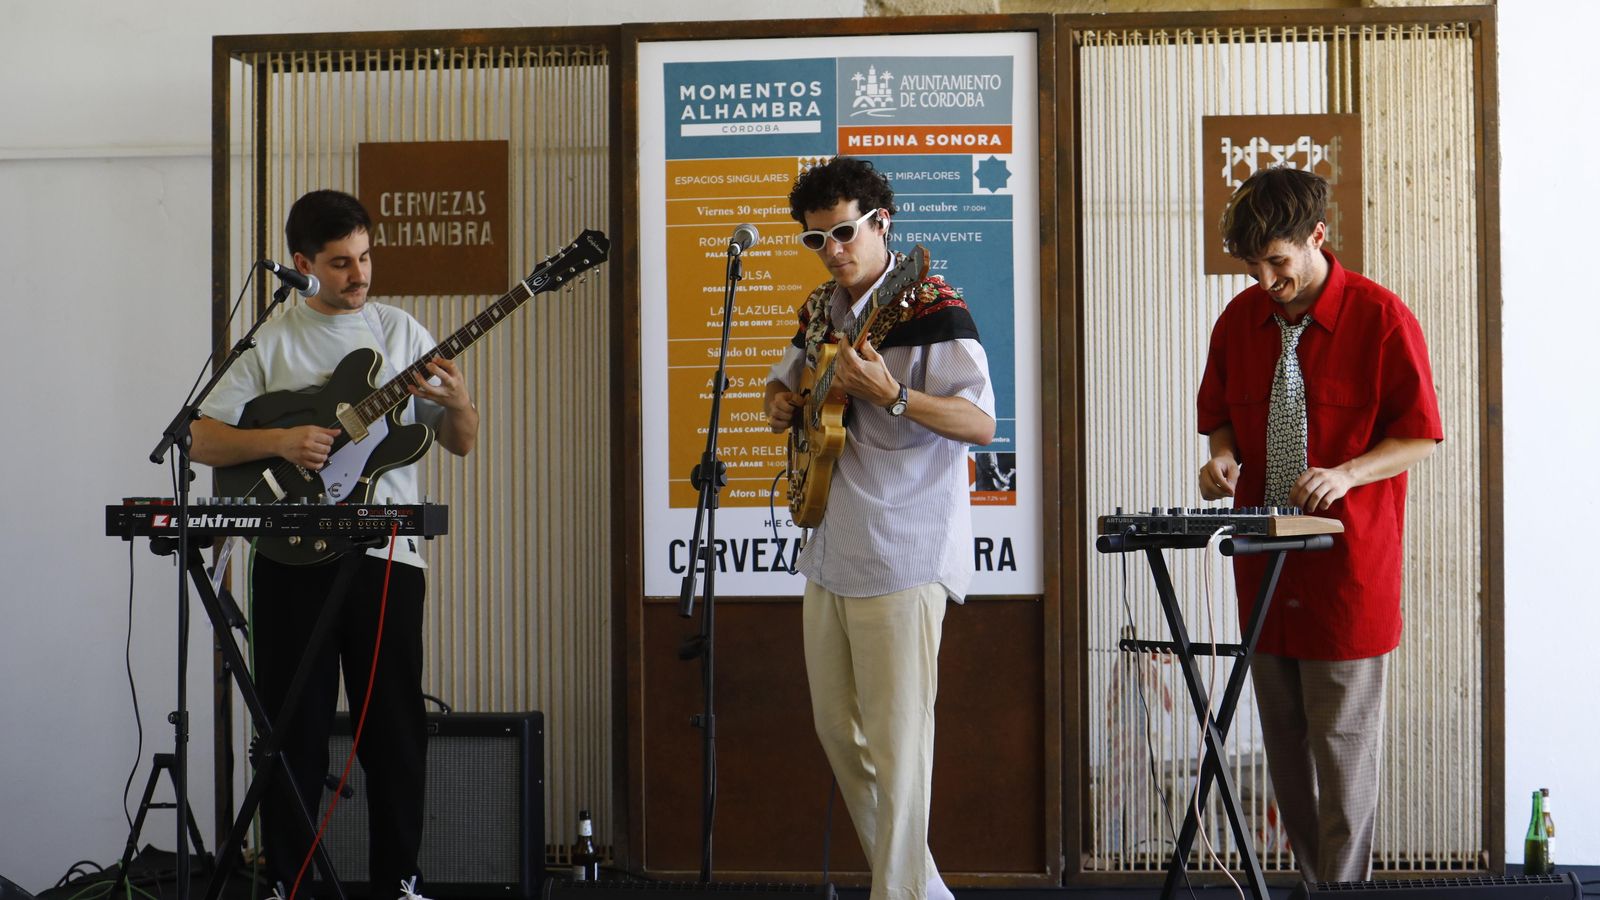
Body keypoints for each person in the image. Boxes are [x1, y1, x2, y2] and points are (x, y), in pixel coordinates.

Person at [190, 189, 479, 899]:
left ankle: (400, 884)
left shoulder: (402, 330)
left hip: (387, 558)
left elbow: (460, 445)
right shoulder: (270, 339)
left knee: (396, 732)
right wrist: (283, 440)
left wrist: (462, 405)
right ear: (301, 265)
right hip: (288, 555)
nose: (360, 275)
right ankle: (289, 882)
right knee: (294, 729)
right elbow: (197, 436)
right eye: (341, 263)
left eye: (367, 257)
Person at [1195, 166, 1442, 884]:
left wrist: (1348, 473)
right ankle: (1309, 885)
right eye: (1251, 266)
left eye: (1277, 261)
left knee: (1343, 752)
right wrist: (1220, 463)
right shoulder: (1239, 322)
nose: (1266, 279)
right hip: (1262, 571)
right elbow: (1219, 422)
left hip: (1345, 576)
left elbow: (1421, 435)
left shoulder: (1381, 317)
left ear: (1317, 238)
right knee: (1285, 753)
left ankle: (1342, 892)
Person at [765, 157, 995, 900]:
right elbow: (787, 379)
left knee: (901, 752)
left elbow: (980, 421)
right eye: (816, 241)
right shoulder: (819, 309)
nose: (832, 251)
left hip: (903, 550)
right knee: (838, 732)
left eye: (842, 234)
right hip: (830, 545)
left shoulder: (932, 305)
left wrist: (895, 395)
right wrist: (779, 398)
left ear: (880, 223)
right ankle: (923, 889)